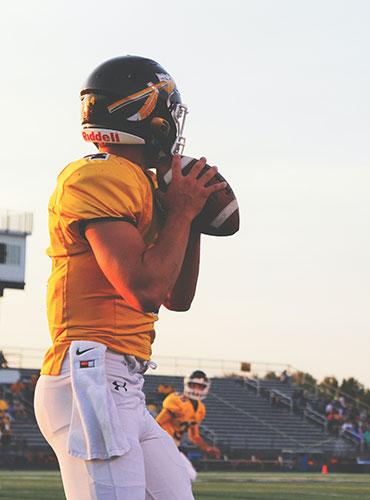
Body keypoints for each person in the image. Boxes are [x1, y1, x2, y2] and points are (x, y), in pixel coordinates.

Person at [33, 55, 233, 500]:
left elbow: (176, 297)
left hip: (121, 377)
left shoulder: (142, 185)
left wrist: (191, 220)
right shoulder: (99, 174)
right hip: (90, 371)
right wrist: (181, 210)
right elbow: (142, 289)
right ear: (146, 114)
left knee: (175, 489)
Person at [156, 370, 221, 481]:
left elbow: (194, 436)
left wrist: (207, 448)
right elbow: (157, 423)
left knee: (190, 475)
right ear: (187, 384)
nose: (196, 389)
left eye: (200, 386)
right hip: (161, 443)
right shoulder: (177, 400)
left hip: (173, 446)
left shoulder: (200, 409)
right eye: (193, 385)